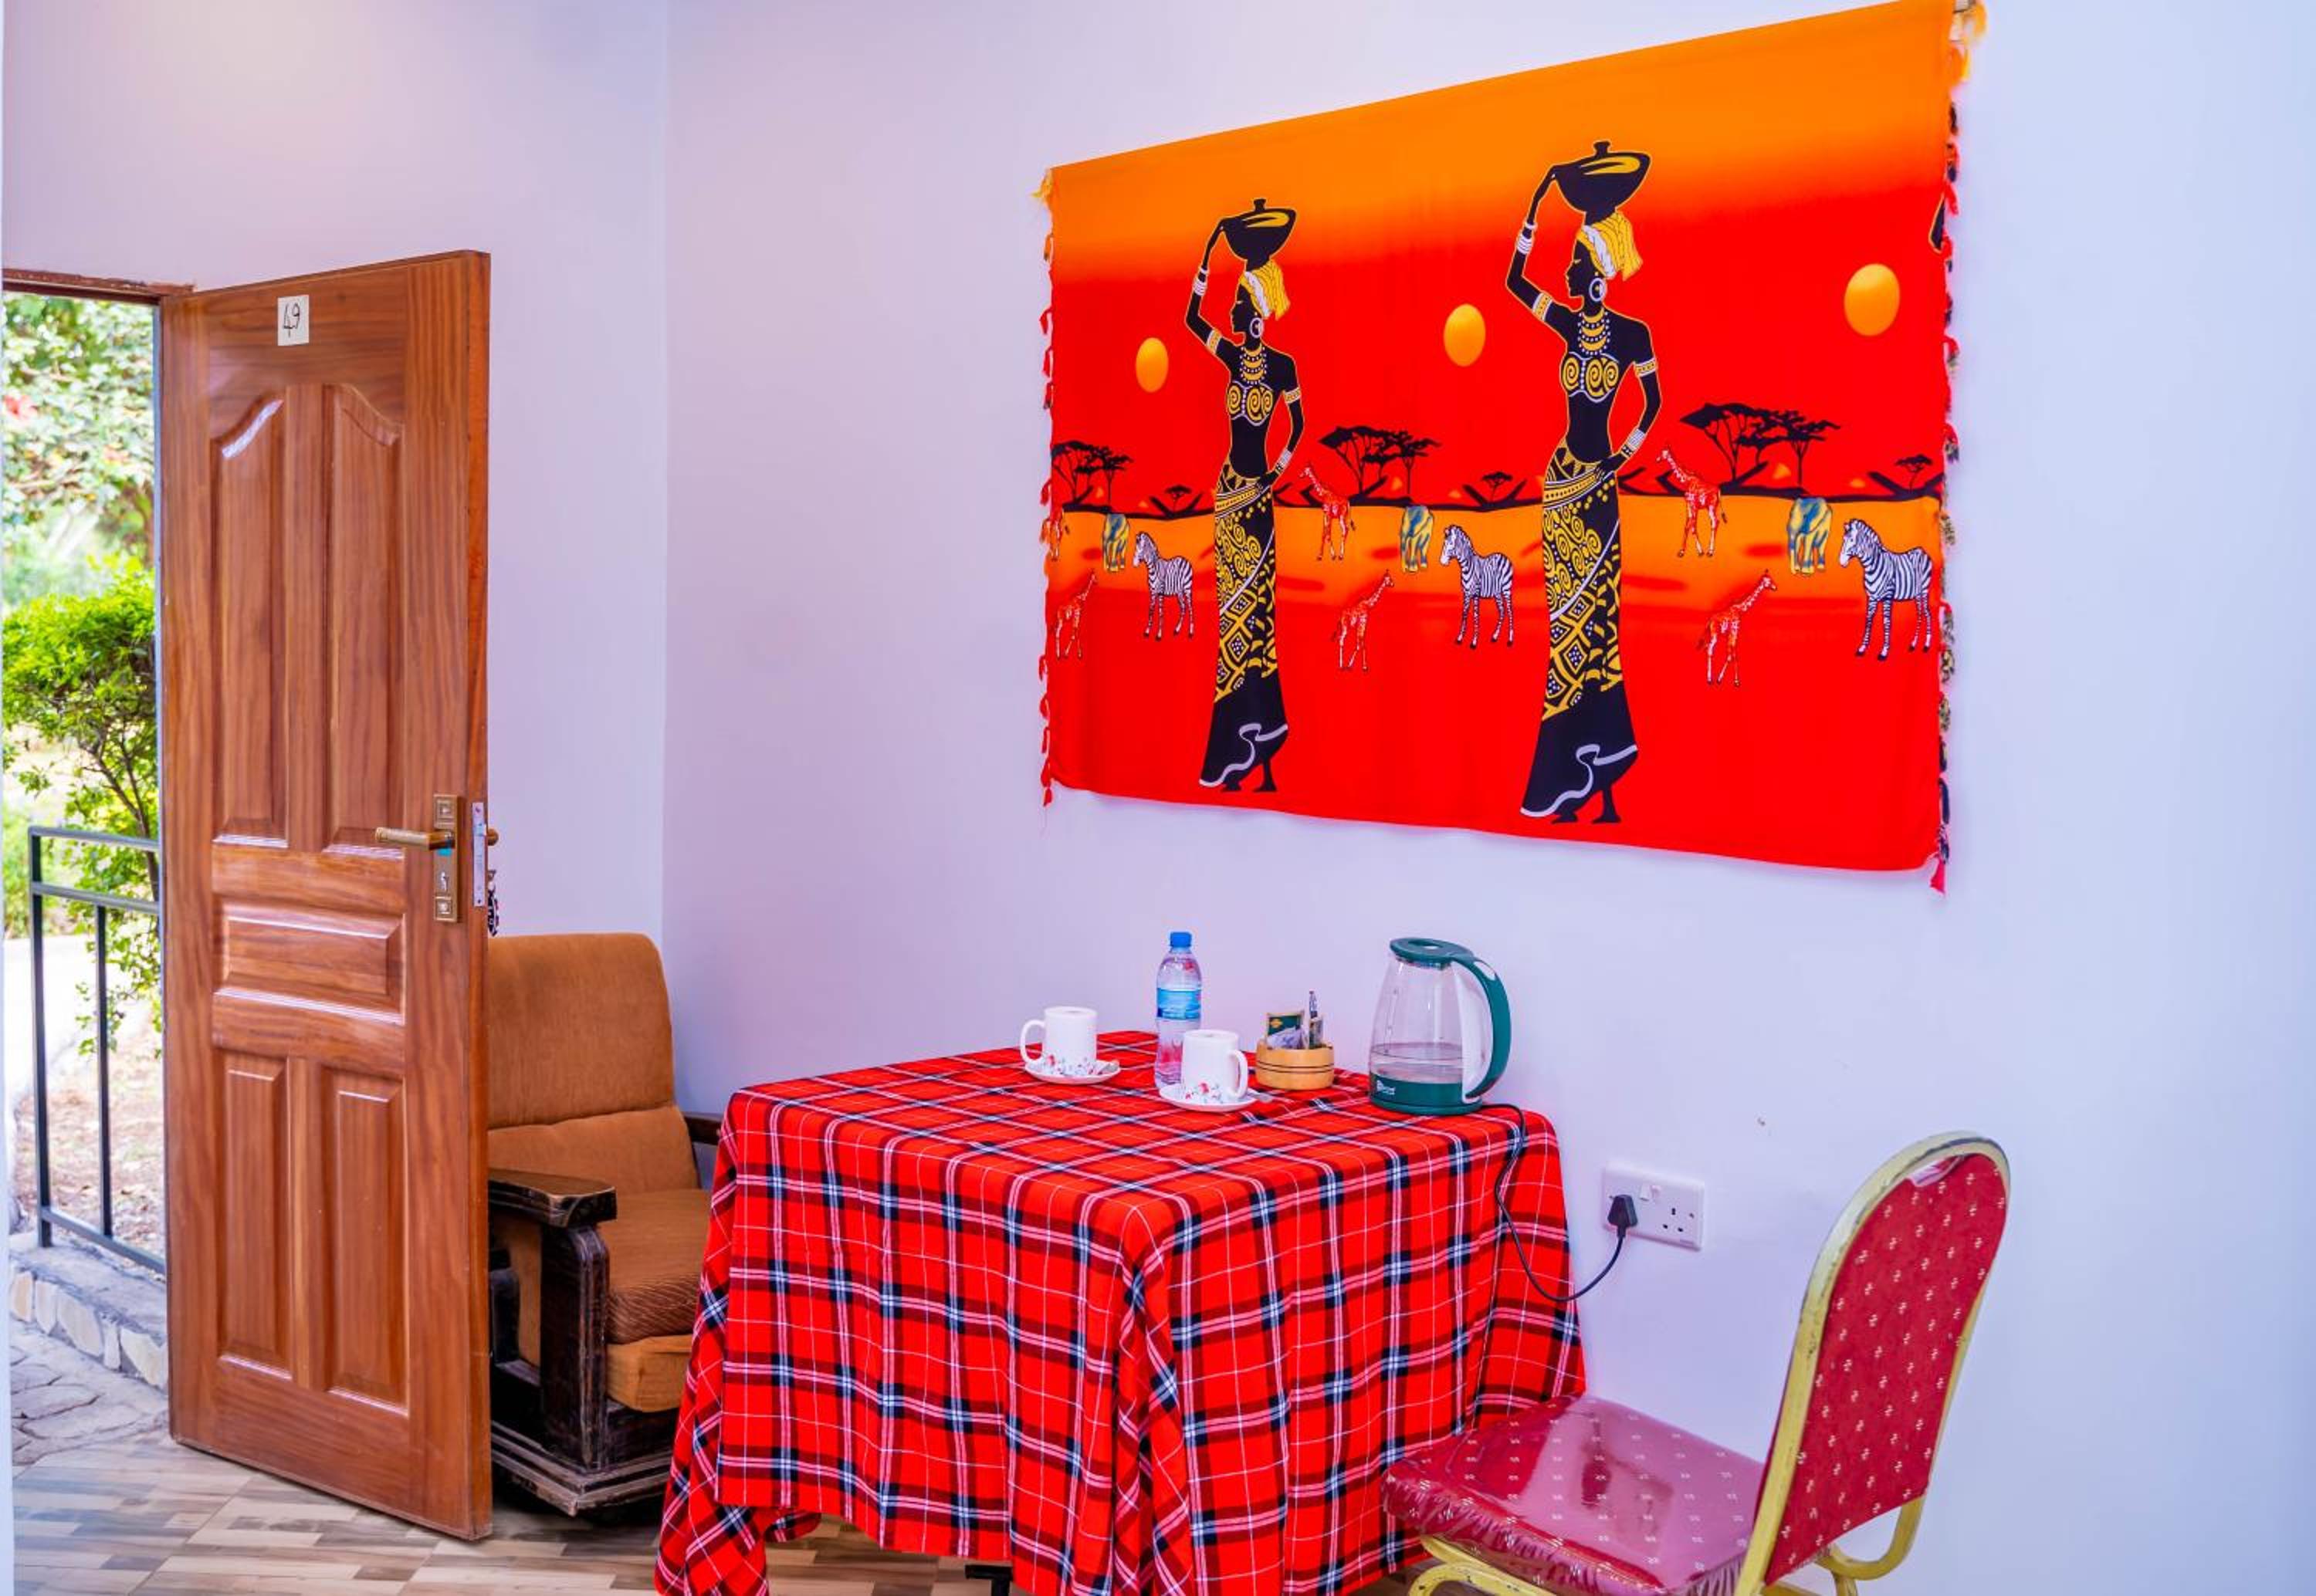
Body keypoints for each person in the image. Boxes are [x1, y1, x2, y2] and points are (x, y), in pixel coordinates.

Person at [1505, 167, 1663, 823]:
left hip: (1598, 488)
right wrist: (1534, 210)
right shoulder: (1569, 325)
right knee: (1562, 626)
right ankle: (1568, 773)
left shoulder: (1632, 335)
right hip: (1562, 486)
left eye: (1576, 263)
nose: (1568, 273)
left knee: (1597, 624)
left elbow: (1653, 404)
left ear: (1598, 274)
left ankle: (1603, 771)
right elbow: (1515, 283)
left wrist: (1622, 456)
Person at [1185, 208, 1306, 793]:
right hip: (1229, 496)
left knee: (1256, 617)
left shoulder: (1282, 367)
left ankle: (1264, 746)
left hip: (1256, 500)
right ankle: (1236, 746)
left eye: (1238, 306)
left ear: (1256, 313)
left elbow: (1299, 426)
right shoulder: (1233, 358)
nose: (1231, 314)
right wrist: (1210, 252)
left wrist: (1276, 474)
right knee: (1229, 620)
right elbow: (1192, 318)